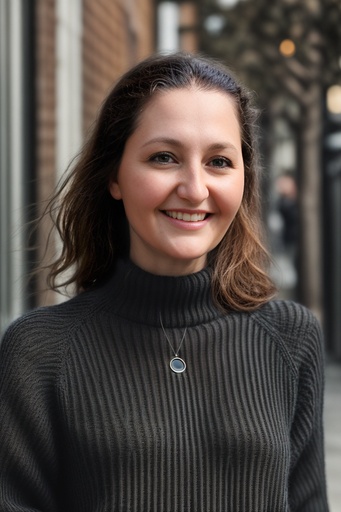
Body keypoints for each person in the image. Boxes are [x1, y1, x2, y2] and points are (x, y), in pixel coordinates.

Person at [0, 53, 329, 511]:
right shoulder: (39, 351)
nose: (195, 189)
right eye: (164, 157)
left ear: (244, 179)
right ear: (114, 175)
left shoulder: (292, 338)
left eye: (218, 161)